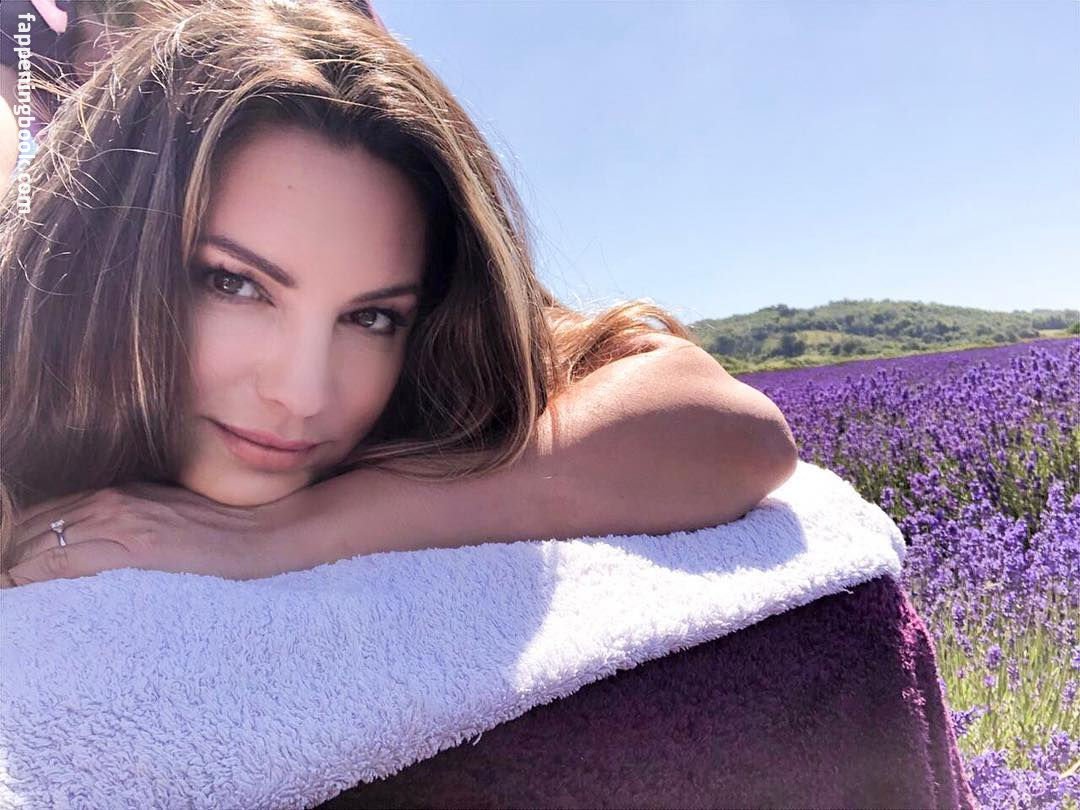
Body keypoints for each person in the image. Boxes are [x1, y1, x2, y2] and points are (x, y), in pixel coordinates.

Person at [0, 0, 798, 588]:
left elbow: (733, 431)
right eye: (235, 283)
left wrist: (281, 535)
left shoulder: (440, 348)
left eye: (372, 316)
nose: (301, 395)